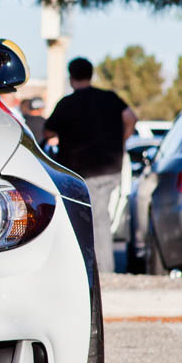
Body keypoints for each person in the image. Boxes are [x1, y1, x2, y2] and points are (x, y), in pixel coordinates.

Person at [42, 58, 137, 277]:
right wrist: (122, 140)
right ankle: (99, 267)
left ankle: (101, 270)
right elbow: (130, 117)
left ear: (71, 78)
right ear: (91, 74)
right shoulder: (110, 98)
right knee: (100, 214)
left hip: (83, 172)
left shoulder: (67, 104)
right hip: (111, 168)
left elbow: (48, 132)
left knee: (96, 217)